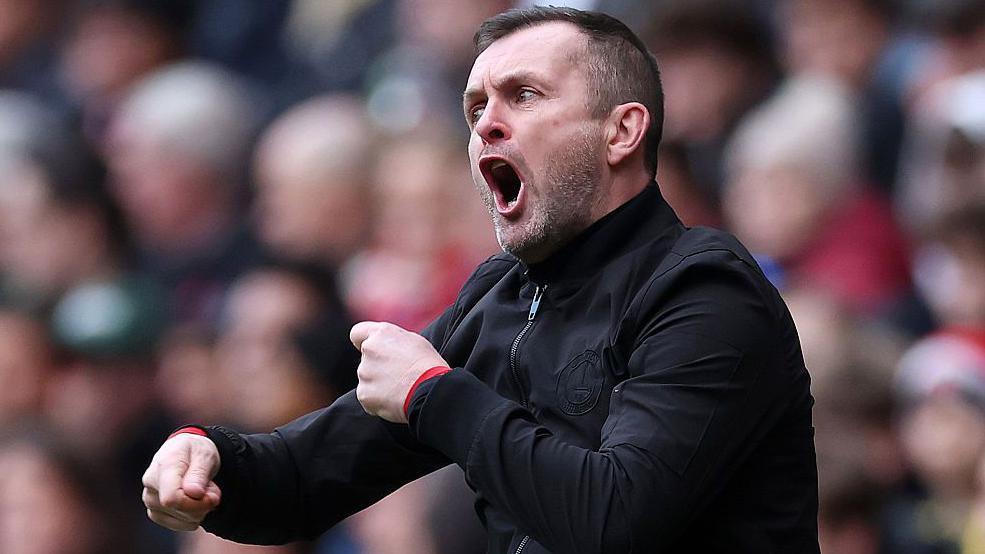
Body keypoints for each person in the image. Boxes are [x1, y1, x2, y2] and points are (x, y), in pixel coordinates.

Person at [142, 7, 819, 553]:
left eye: (523, 95)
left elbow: (614, 521)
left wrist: (434, 396)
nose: (487, 124)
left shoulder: (705, 290)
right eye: (473, 109)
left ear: (621, 132)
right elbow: (302, 478)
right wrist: (207, 456)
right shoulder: (501, 297)